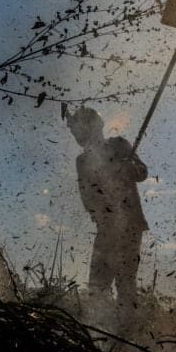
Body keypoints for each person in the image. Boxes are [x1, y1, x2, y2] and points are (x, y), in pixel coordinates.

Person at [66, 106, 148, 328]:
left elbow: (142, 172)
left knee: (125, 282)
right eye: (74, 132)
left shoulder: (120, 145)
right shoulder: (82, 162)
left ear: (93, 127)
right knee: (97, 285)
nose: (76, 135)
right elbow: (87, 198)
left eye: (79, 129)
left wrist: (128, 167)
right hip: (107, 228)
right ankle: (101, 331)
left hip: (130, 225)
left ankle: (128, 334)